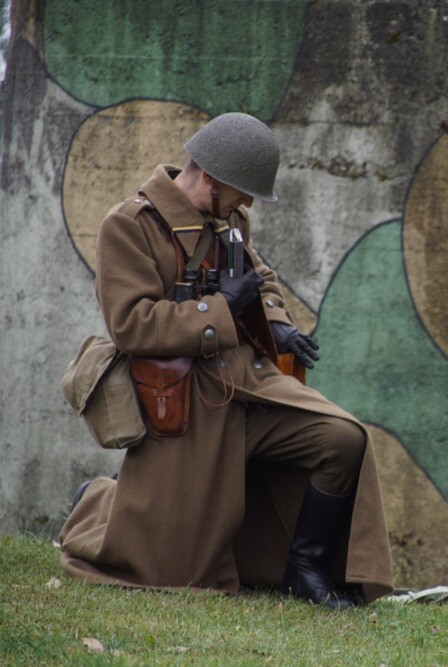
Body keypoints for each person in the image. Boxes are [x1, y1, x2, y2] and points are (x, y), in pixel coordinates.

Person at [59, 112, 393, 609]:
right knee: (173, 568)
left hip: (247, 388)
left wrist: (276, 321)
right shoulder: (129, 226)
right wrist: (219, 309)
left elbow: (265, 282)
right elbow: (130, 324)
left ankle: (305, 568)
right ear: (210, 178)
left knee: (343, 439)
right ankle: (100, 499)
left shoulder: (230, 221)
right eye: (243, 191)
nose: (249, 203)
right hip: (183, 404)